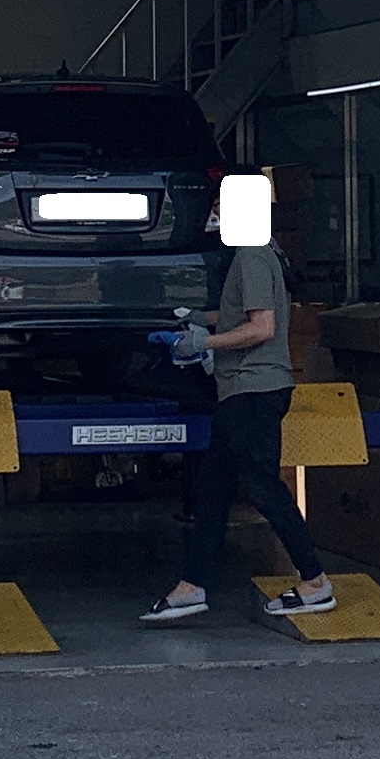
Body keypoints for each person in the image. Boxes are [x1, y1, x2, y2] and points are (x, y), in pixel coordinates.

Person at [142, 229, 339, 625]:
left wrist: (202, 344)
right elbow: (246, 314)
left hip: (254, 390)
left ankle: (315, 581)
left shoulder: (250, 253)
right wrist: (200, 319)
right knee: (213, 487)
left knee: (263, 486)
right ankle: (192, 585)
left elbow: (262, 327)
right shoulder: (266, 250)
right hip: (242, 391)